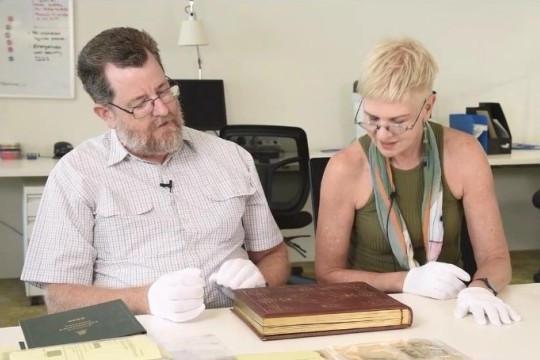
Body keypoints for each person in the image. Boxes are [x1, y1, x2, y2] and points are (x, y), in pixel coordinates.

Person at [21, 27, 289, 322]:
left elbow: (272, 255)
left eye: (164, 91)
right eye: (140, 104)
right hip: (137, 333)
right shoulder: (77, 174)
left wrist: (261, 282)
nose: (162, 109)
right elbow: (61, 299)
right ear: (106, 114)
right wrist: (145, 300)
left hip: (233, 324)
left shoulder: (232, 157)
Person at [315, 37, 521, 326]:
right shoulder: (345, 168)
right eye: (372, 119)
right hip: (370, 311)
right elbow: (328, 275)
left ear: (428, 107)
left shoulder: (464, 153)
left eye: (399, 122)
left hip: (451, 307)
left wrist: (481, 288)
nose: (383, 134)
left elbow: (495, 257)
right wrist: (406, 281)